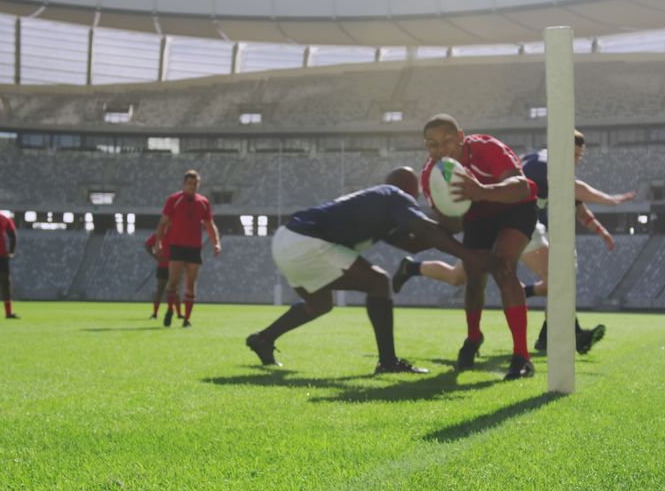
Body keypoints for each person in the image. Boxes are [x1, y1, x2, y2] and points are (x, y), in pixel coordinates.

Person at [393, 130, 635, 354]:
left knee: (459, 277)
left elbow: (577, 206)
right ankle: (556, 333)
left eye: (579, 156)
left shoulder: (544, 163)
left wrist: (601, 232)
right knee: (560, 277)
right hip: (511, 222)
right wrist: (610, 200)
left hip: (505, 222)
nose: (576, 160)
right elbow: (575, 188)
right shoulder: (545, 162)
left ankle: (412, 267)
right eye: (573, 154)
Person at [245, 167, 498, 374]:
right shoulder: (394, 195)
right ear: (411, 191)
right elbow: (424, 230)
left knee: (320, 304)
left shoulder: (381, 207)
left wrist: (453, 227)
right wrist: (469, 256)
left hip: (285, 241)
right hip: (307, 240)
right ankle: (388, 362)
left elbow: (414, 244)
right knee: (379, 282)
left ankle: (263, 338)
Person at [419, 114, 540, 380]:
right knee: (473, 279)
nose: (441, 150)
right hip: (477, 216)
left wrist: (481, 191)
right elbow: (453, 225)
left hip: (514, 207)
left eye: (448, 141)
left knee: (504, 267)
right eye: (432, 145)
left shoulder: (486, 147)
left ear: (461, 137)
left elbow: (521, 188)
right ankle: (473, 338)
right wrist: (445, 212)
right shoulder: (430, 174)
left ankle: (522, 356)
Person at [154, 170, 221, 328]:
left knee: (191, 283)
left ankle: (186, 319)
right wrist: (158, 242)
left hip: (194, 248)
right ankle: (170, 310)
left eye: (195, 184)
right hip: (177, 246)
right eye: (189, 184)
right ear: (184, 184)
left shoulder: (203, 202)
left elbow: (210, 224)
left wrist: (216, 242)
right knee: (174, 282)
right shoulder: (174, 200)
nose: (192, 186)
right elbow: (163, 223)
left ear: (198, 184)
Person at [144, 233, 181, 320]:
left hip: (175, 266)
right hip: (163, 266)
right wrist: (155, 256)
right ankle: (155, 313)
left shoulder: (177, 233)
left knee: (175, 290)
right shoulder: (160, 233)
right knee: (160, 289)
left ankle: (179, 313)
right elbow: (147, 245)